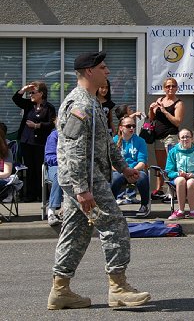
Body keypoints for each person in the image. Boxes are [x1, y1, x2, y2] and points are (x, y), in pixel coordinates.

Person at [48, 51, 150, 310]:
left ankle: (60, 291)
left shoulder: (93, 101)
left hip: (83, 178)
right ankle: (118, 288)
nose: (108, 71)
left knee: (75, 232)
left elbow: (105, 142)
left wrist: (124, 168)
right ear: (89, 71)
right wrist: (82, 189)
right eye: (103, 67)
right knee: (115, 225)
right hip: (85, 178)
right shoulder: (80, 105)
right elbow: (73, 150)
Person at [13, 81, 56, 202]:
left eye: (33, 92)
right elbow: (16, 99)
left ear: (41, 94)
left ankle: (41, 194)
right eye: (30, 93)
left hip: (40, 142)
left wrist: (37, 125)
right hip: (27, 141)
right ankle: (29, 194)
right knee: (29, 168)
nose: (30, 95)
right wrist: (24, 89)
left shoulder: (49, 107)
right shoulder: (28, 105)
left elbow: (51, 123)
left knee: (39, 168)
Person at [148, 77, 185, 201]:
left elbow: (177, 122)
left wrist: (164, 111)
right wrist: (151, 109)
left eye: (173, 86)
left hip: (170, 136)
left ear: (176, 88)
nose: (170, 88)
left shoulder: (178, 103)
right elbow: (151, 118)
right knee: (161, 165)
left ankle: (172, 190)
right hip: (158, 137)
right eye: (168, 86)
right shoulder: (160, 100)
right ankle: (160, 189)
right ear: (164, 88)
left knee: (171, 165)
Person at [110, 116, 151, 218]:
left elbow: (142, 162)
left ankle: (144, 205)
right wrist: (125, 172)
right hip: (119, 172)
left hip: (135, 170)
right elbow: (110, 163)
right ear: (121, 128)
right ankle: (112, 206)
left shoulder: (140, 141)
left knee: (143, 177)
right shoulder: (113, 141)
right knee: (115, 178)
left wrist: (132, 171)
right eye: (128, 126)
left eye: (133, 126)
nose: (131, 128)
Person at [165, 128, 194, 220]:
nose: (185, 139)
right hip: (177, 178)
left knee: (190, 182)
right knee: (181, 180)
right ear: (179, 140)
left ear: (192, 139)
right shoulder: (173, 152)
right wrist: (178, 174)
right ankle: (181, 211)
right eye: (182, 137)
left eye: (188, 137)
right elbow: (169, 171)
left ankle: (193, 212)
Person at [44, 128, 64, 226]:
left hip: (74, 166)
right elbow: (50, 157)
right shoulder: (54, 135)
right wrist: (65, 161)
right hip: (56, 166)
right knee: (60, 174)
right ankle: (51, 212)